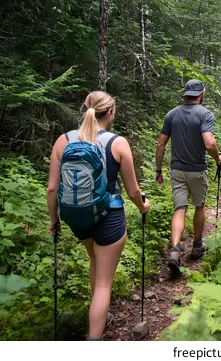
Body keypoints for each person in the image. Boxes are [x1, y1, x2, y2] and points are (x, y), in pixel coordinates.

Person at [46, 90, 150, 340]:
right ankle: (94, 341)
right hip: (108, 217)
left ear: (85, 109)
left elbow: (51, 188)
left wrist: (54, 220)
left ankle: (99, 313)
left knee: (94, 260)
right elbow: (133, 189)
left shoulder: (63, 141)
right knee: (104, 282)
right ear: (110, 112)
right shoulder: (117, 143)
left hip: (77, 218)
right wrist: (142, 207)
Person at [155, 79, 221, 274]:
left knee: (180, 208)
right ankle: (197, 245)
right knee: (199, 205)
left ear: (185, 94)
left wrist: (158, 170)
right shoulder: (205, 114)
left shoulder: (172, 114)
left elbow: (160, 145)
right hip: (197, 169)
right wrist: (218, 158)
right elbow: (209, 143)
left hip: (177, 170)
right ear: (201, 94)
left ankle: (175, 250)